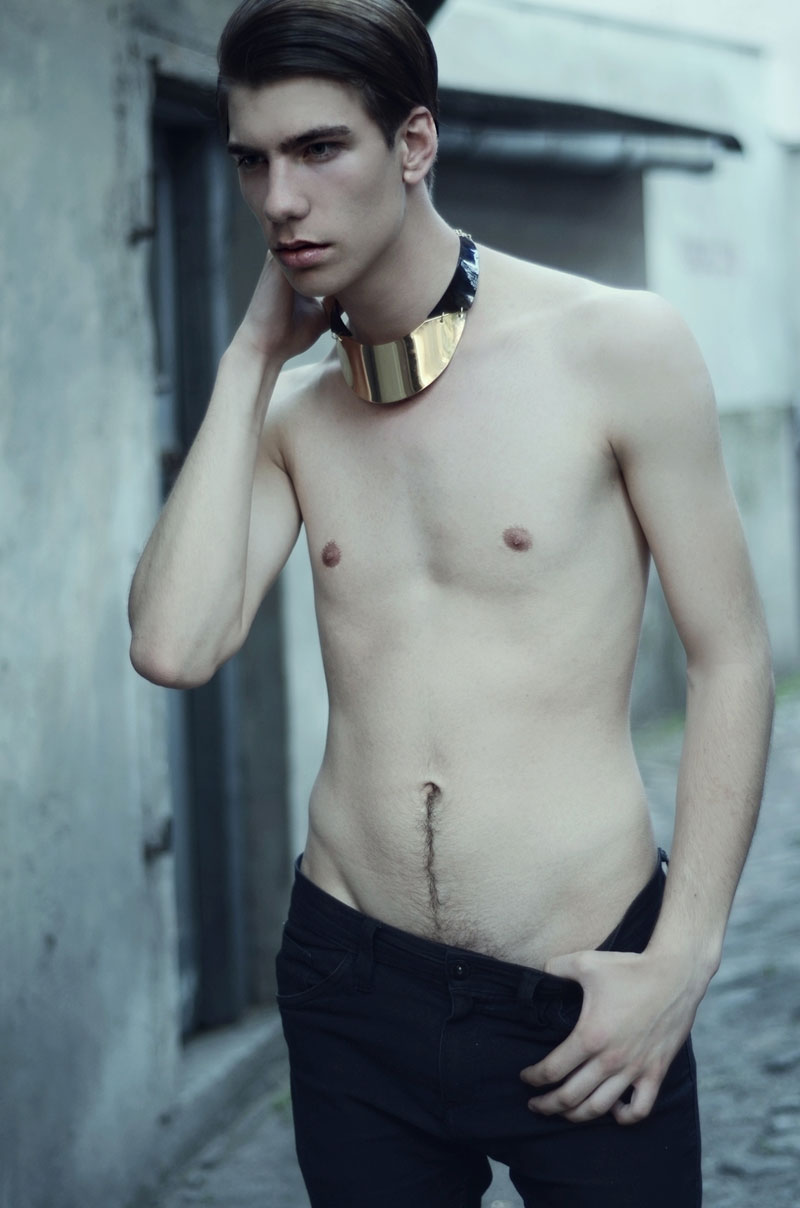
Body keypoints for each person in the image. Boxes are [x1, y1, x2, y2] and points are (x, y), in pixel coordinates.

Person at [128, 1, 775, 1203]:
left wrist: (680, 957)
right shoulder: (291, 411)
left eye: (319, 149)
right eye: (252, 161)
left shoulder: (614, 347)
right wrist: (247, 358)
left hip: (581, 977)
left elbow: (730, 655)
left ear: (413, 142)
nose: (280, 199)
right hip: (349, 982)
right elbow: (173, 643)